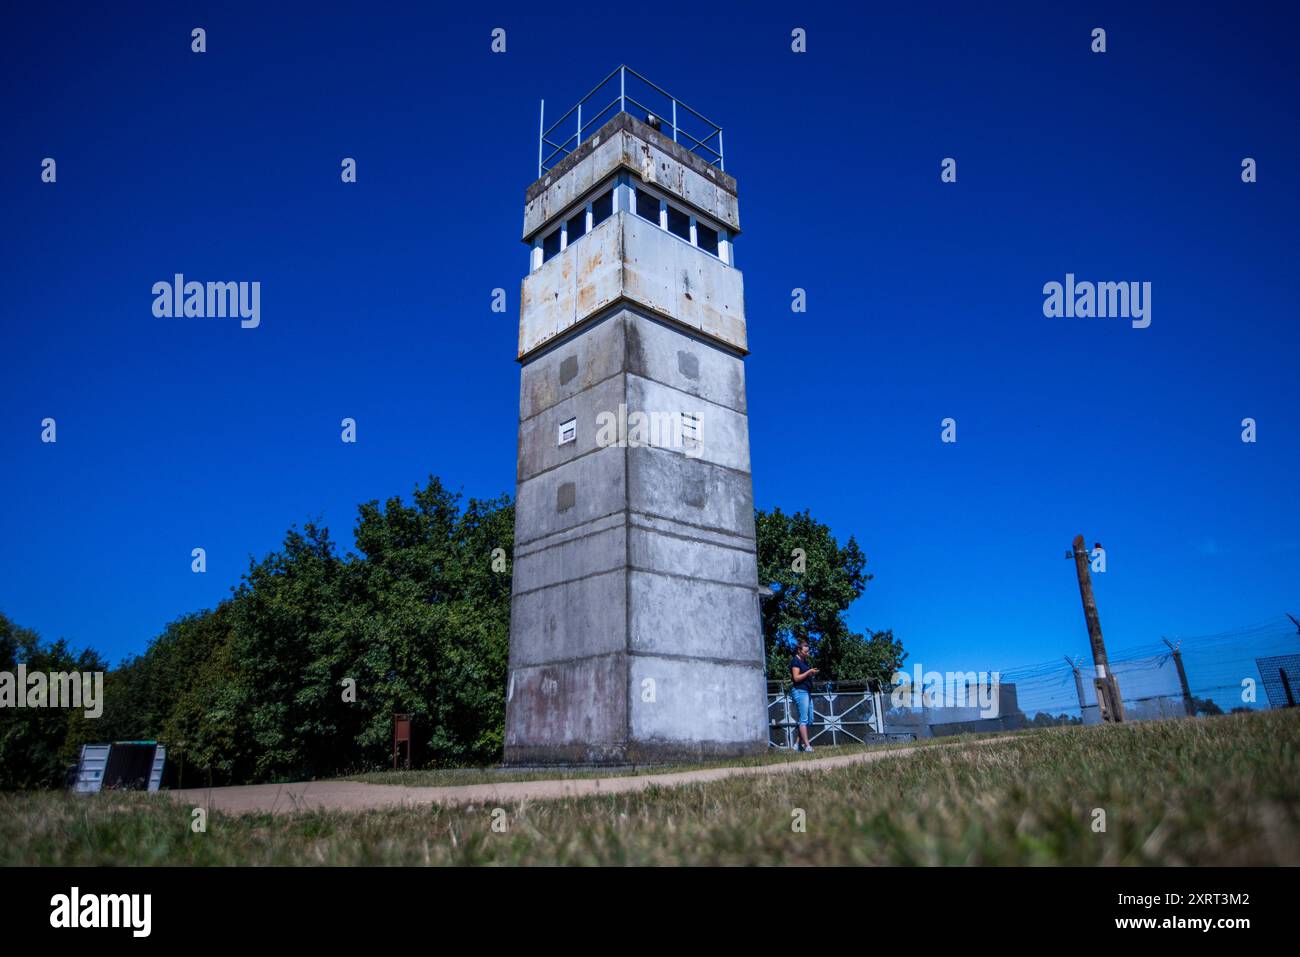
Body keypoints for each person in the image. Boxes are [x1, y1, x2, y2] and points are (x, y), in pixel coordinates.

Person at [789, 639, 819, 752]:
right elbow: (796, 678)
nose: (807, 653)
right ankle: (807, 746)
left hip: (807, 691)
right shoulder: (795, 661)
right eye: (805, 651)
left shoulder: (804, 661)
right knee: (804, 719)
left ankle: (797, 745)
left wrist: (810, 672)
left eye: (808, 651)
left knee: (809, 719)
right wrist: (808, 672)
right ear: (799, 650)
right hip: (800, 691)